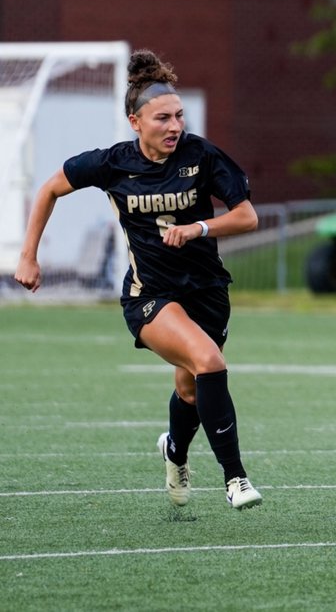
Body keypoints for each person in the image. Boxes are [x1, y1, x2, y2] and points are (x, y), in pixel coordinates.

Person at [13, 50, 263, 510]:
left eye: (179, 116)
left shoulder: (201, 155)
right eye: (163, 118)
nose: (174, 126)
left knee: (190, 388)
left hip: (208, 291)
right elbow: (49, 189)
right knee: (209, 361)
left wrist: (198, 228)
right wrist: (28, 255)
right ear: (135, 122)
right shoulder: (112, 163)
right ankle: (236, 478)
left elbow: (247, 216)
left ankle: (175, 451)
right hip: (149, 296)